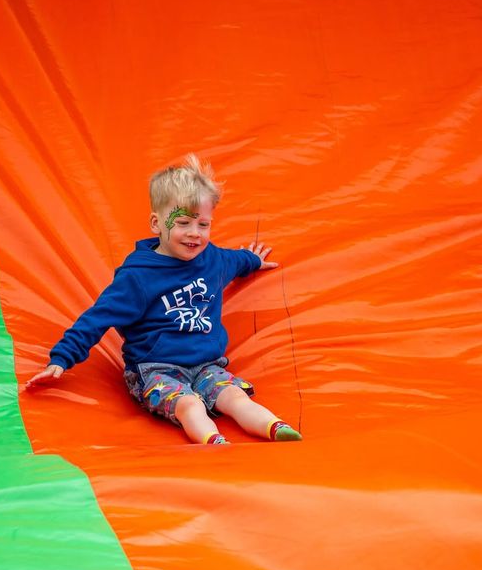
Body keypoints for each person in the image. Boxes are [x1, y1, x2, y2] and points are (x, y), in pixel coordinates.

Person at [25, 154, 301, 445]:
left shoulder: (213, 260)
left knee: (233, 396)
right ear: (157, 223)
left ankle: (275, 427)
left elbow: (235, 261)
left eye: (203, 225)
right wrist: (62, 358)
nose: (195, 234)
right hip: (154, 369)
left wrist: (252, 260)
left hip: (206, 365)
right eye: (182, 223)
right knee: (189, 404)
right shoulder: (139, 277)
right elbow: (99, 316)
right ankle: (215, 443)